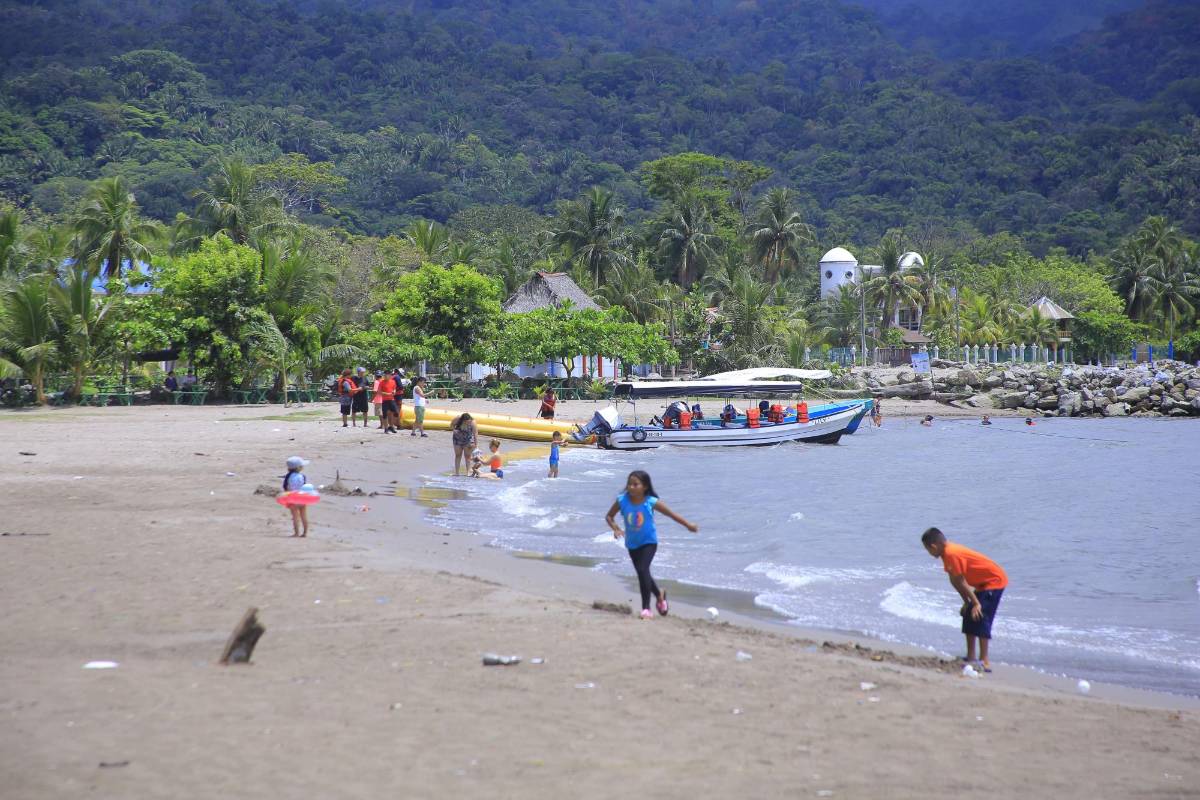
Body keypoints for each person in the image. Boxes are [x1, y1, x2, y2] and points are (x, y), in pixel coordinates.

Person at [605, 470, 699, 619]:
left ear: (645, 486)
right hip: (632, 544)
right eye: (629, 484)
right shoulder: (622, 500)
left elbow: (671, 514)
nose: (631, 487)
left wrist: (688, 525)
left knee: (643, 570)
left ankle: (646, 609)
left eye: (635, 484)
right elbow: (609, 516)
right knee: (643, 574)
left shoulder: (651, 501)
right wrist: (616, 529)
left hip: (649, 542)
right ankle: (659, 595)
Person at [921, 527, 1007, 672]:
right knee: (968, 615)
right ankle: (971, 656)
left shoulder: (951, 553)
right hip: (981, 584)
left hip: (993, 582)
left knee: (981, 617)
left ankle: (984, 660)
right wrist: (967, 603)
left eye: (928, 550)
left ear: (933, 547)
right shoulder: (945, 554)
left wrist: (977, 603)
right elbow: (954, 580)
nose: (929, 554)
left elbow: (961, 581)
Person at [282, 456, 312, 538]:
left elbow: (285, 487)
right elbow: (304, 486)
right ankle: (305, 533)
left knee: (295, 516)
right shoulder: (303, 476)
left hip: (293, 497)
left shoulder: (288, 476)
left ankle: (296, 533)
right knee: (303, 515)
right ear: (298, 467)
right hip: (302, 497)